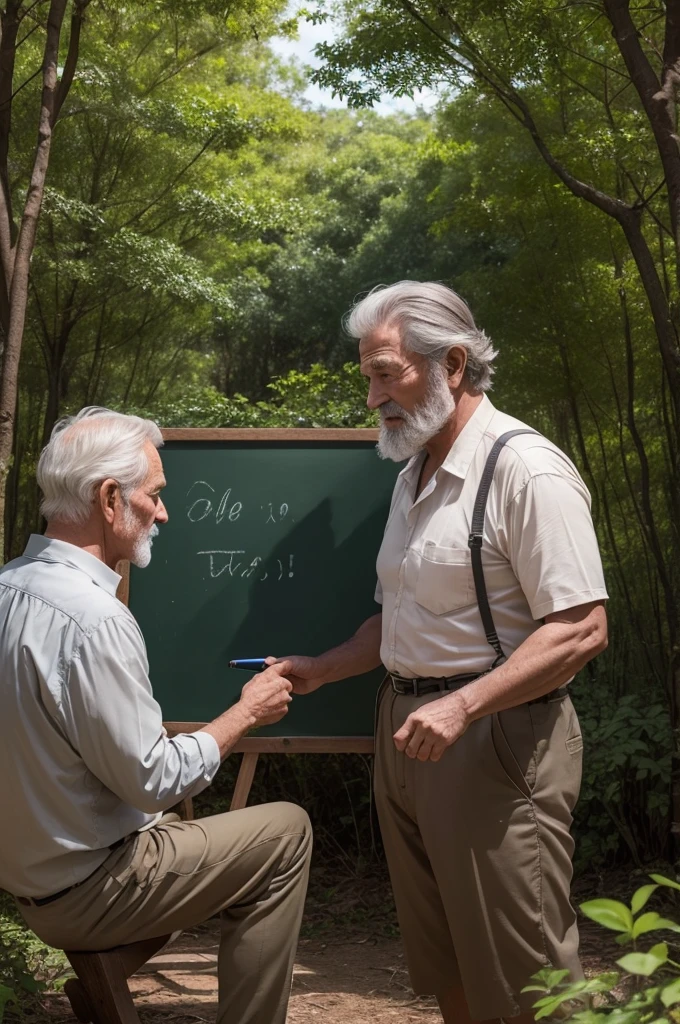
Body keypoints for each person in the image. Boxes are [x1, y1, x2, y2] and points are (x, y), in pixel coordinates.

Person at [277, 282, 608, 1023]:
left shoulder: (526, 470)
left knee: (525, 976)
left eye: (386, 373)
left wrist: (462, 705)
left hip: (496, 740)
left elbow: (583, 628)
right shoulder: (411, 475)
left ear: (453, 363)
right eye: (368, 376)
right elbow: (395, 618)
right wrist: (324, 668)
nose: (372, 398)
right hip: (408, 735)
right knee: (445, 959)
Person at [0, 407, 311, 1024]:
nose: (163, 513)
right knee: (286, 833)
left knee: (173, 826)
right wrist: (243, 714)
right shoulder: (95, 619)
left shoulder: (9, 586)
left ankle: (102, 990)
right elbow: (152, 779)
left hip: (27, 881)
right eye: (155, 495)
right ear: (110, 498)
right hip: (87, 889)